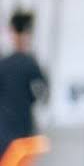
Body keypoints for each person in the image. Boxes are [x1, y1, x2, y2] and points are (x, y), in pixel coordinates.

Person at [0, 10, 48, 158]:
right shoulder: (32, 65)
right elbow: (43, 96)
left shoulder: (5, 64)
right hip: (21, 135)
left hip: (10, 136)